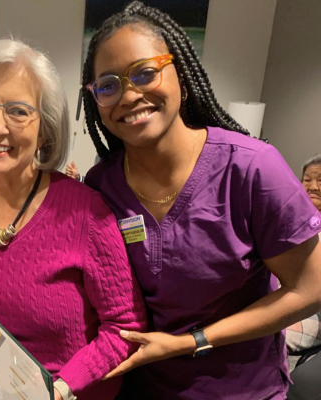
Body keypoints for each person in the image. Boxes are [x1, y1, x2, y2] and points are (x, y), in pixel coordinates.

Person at [80, 2, 321, 399]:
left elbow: (309, 289)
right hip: (142, 387)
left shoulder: (250, 169)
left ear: (183, 77)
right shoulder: (101, 184)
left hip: (241, 390)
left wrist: (193, 341)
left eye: (145, 72)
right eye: (108, 85)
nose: (130, 94)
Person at [0, 39, 147, 400]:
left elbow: (125, 328)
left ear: (45, 129)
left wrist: (60, 388)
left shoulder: (84, 212)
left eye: (18, 111)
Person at [286, 154, 321, 400]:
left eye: (320, 180)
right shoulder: (291, 220)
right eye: (307, 179)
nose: (313, 186)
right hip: (284, 298)